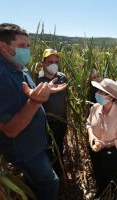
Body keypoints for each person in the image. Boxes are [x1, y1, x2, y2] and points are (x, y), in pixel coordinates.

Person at [0, 23, 67, 200]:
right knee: (50, 183)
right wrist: (35, 102)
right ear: (3, 46)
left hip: (34, 143)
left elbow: (29, 96)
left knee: (34, 183)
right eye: (21, 46)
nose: (27, 50)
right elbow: (10, 129)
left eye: (28, 46)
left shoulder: (21, 68)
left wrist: (46, 88)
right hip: (24, 150)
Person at [86, 78, 117, 198]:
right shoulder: (94, 108)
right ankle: (101, 192)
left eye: (101, 92)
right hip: (95, 148)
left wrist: (106, 144)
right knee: (98, 173)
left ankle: (110, 195)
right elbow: (89, 124)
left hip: (112, 154)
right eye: (98, 91)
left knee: (111, 178)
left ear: (110, 97)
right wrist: (91, 137)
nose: (97, 94)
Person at [36, 48, 68, 178]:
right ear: (43, 63)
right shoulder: (37, 79)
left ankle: (59, 172)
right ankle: (49, 174)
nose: (54, 64)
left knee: (59, 146)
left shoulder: (62, 77)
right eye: (50, 61)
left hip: (61, 120)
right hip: (45, 122)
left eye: (56, 61)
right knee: (47, 149)